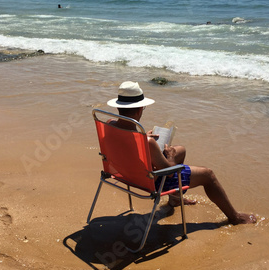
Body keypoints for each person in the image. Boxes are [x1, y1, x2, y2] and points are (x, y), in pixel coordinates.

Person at [106, 81, 256, 225]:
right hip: (149, 181)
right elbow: (169, 173)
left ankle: (175, 199)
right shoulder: (147, 143)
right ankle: (235, 217)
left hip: (125, 174)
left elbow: (126, 145)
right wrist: (169, 156)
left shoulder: (109, 125)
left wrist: (145, 139)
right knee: (208, 175)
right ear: (140, 109)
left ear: (119, 107)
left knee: (181, 150)